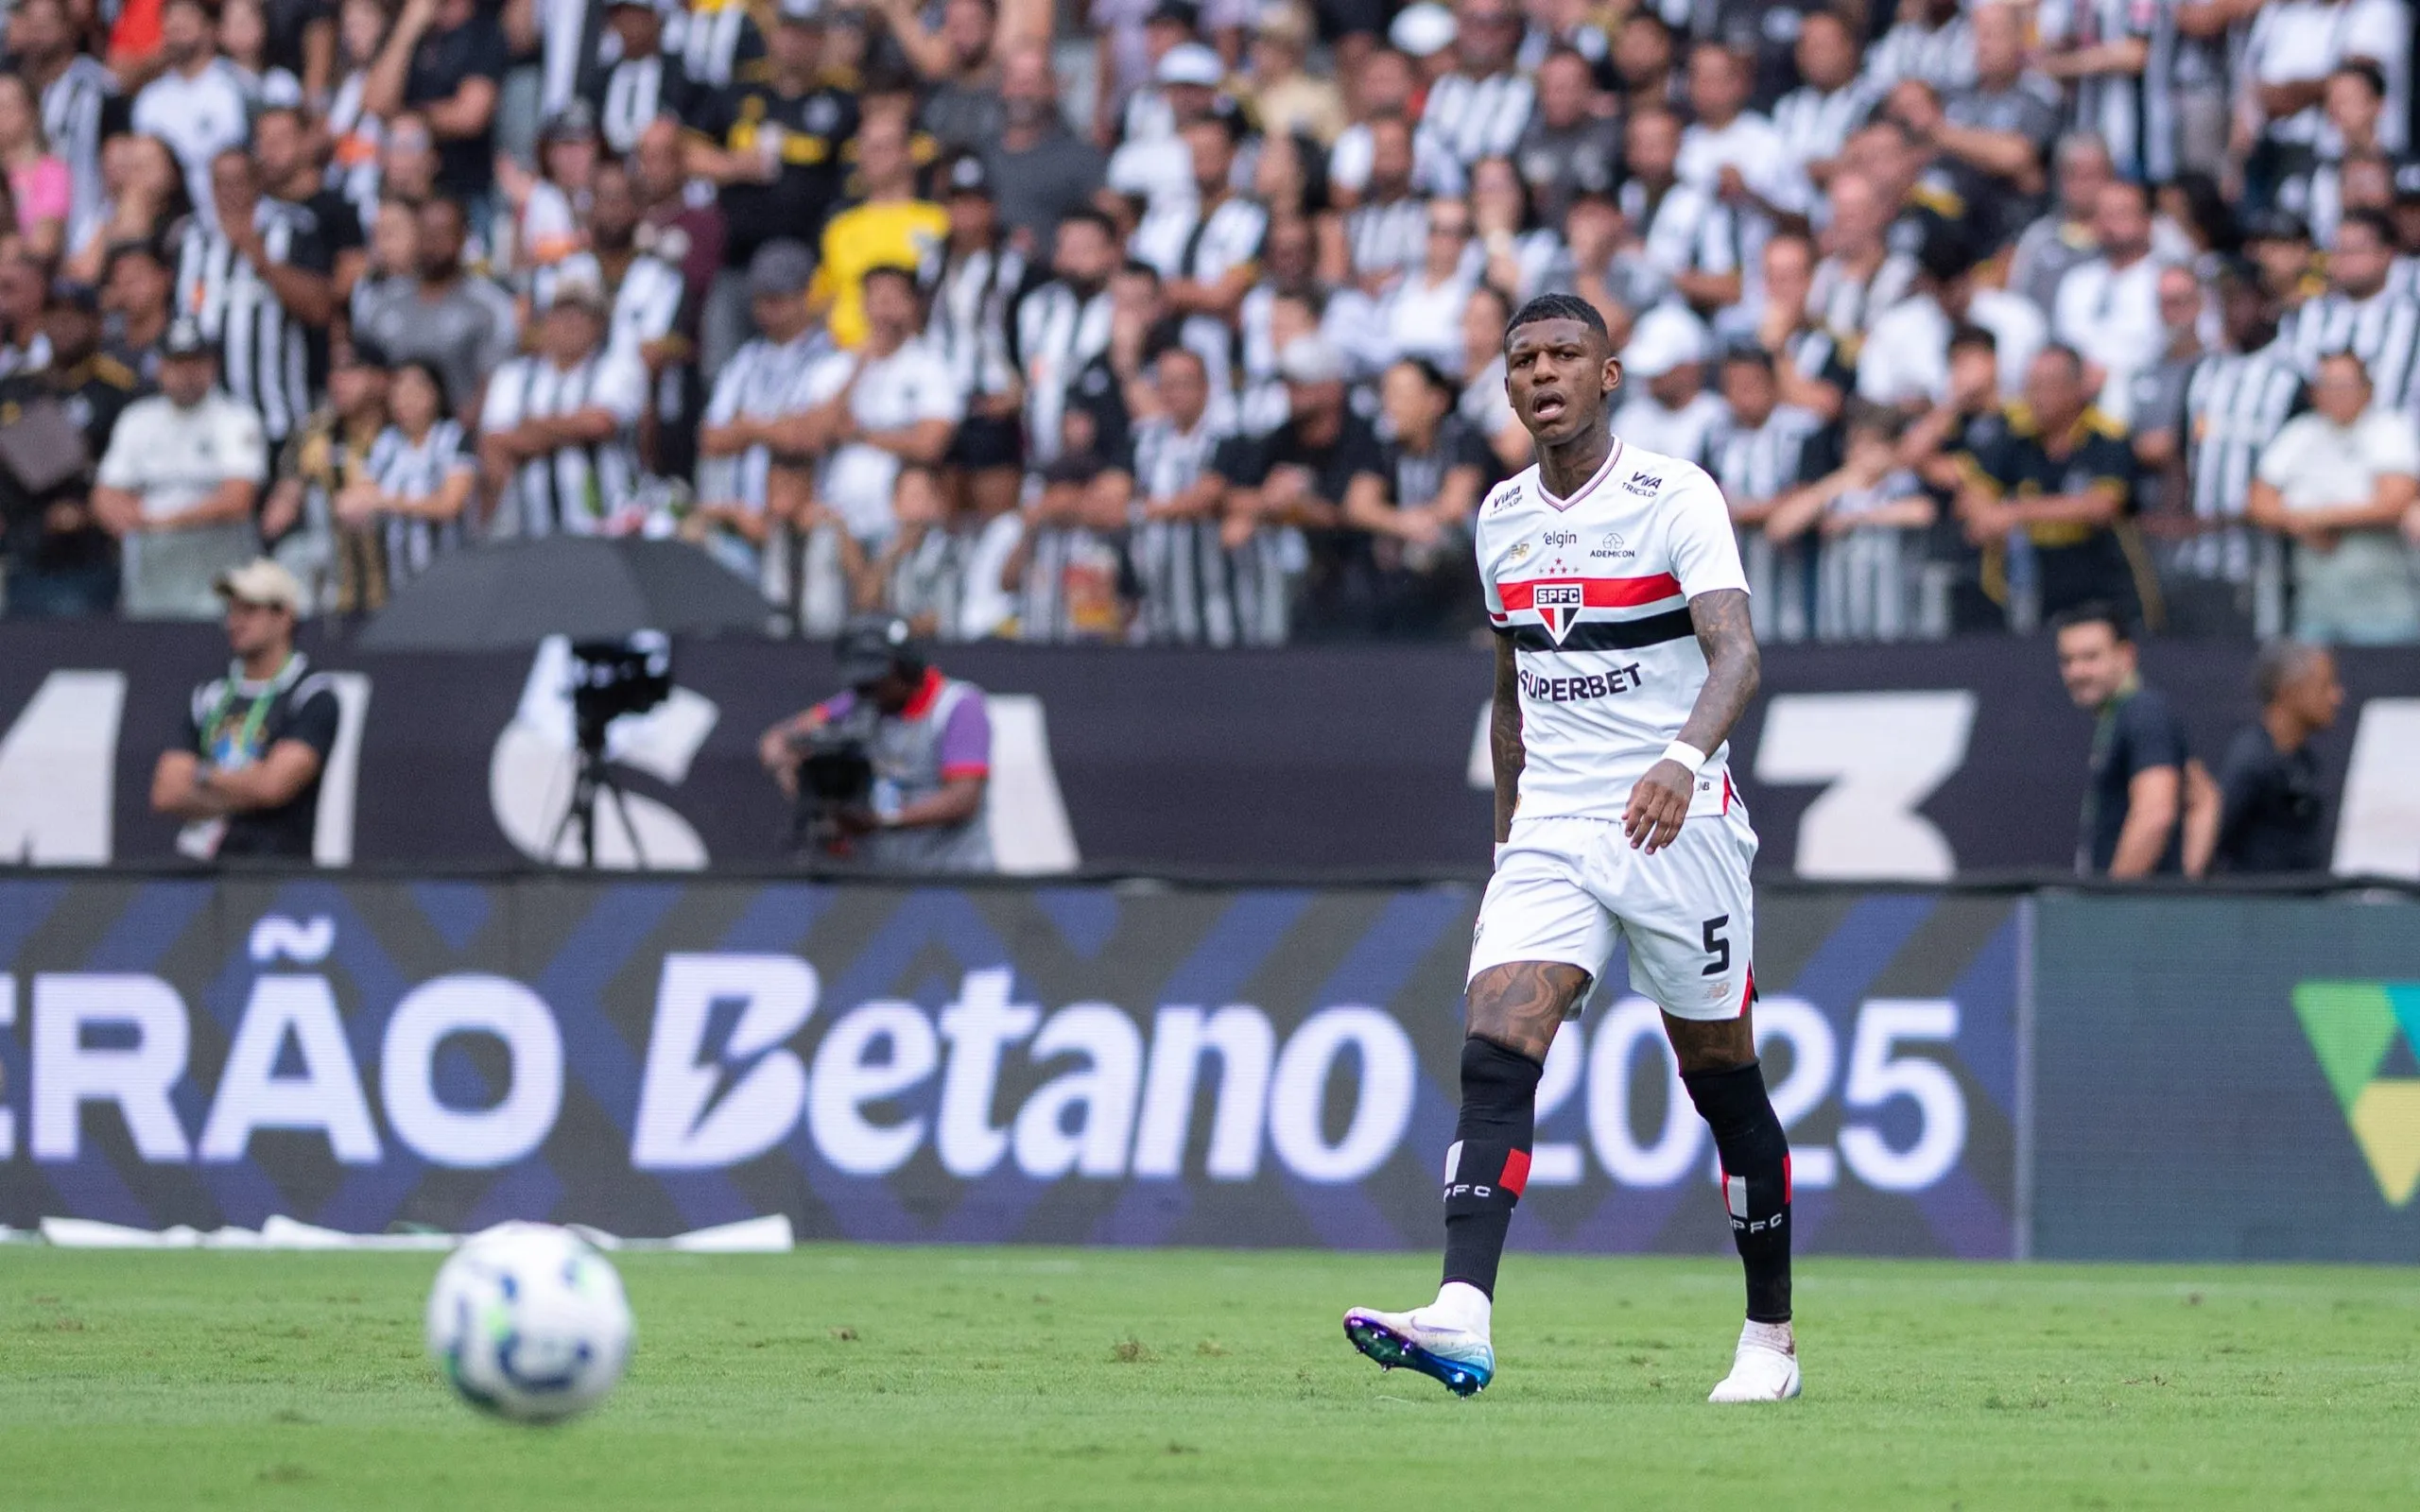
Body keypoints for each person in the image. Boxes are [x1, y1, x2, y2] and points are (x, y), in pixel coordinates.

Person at [1342, 293, 1794, 1404]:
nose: (1543, 373)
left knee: (1721, 1081)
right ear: (1506, 386)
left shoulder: (1674, 495)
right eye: (1524, 360)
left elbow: (1737, 655)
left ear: (1607, 374)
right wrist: (1508, 843)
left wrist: (1680, 760)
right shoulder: (1499, 516)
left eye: (1564, 354)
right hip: (1551, 826)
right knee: (1496, 1043)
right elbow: (1511, 698)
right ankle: (1462, 1312)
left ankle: (1769, 1340)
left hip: (1677, 821)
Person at [755, 613, 994, 872]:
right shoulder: (862, 700)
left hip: (956, 879)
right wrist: (795, 778)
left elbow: (963, 799)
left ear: (907, 668)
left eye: (876, 680)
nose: (869, 690)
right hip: (890, 879)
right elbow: (775, 740)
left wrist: (879, 822)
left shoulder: (958, 706)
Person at [148, 558, 341, 862]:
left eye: (249, 610)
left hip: (273, 871)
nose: (235, 622)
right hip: (199, 866)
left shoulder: (310, 694)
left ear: (284, 616)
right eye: (232, 610)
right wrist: (244, 784)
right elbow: (166, 791)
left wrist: (201, 774)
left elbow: (273, 787)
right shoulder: (211, 693)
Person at [92, 318, 269, 619]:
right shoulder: (137, 419)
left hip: (219, 584)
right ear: (160, 367)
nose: (187, 374)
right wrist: (127, 517)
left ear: (212, 366)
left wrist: (158, 521)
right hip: (152, 583)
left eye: (196, 363)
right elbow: (104, 496)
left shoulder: (237, 418)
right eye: (178, 364)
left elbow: (238, 500)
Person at [2247, 350, 2420, 644]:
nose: (2335, 394)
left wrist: (2318, 519)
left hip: (2384, 607)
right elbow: (2257, 502)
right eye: (2327, 385)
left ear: (2367, 389)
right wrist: (2301, 524)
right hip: (2315, 604)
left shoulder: (2388, 429)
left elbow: (2395, 502)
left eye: (2344, 385)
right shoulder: (2300, 433)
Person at [0, 282, 141, 617]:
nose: (63, 325)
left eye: (74, 316)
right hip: (25, 547)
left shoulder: (117, 389)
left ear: (96, 323)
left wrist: (88, 511)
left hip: (95, 550)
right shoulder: (16, 388)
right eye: (55, 315)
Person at [2051, 601, 2211, 878]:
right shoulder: (2123, 716)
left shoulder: (2142, 713)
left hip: (2136, 903)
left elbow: (2156, 814)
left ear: (2126, 655)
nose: (2077, 672)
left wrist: (2115, 897)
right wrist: (2186, 883)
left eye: (2090, 657)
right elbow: (2205, 799)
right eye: (2067, 660)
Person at [2207, 641, 2344, 874]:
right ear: (2287, 691)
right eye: (2325, 686)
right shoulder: (2252, 761)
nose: (2337, 697)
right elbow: (2214, 839)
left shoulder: (2302, 761)